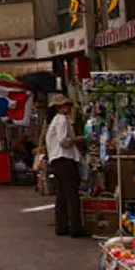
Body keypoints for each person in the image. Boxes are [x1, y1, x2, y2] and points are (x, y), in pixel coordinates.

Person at [47, 93, 88, 238]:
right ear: (60, 107)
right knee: (72, 194)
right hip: (64, 159)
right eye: (66, 105)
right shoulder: (62, 120)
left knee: (63, 194)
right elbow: (63, 140)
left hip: (57, 160)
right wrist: (77, 139)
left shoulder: (57, 120)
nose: (69, 108)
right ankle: (75, 227)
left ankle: (62, 226)